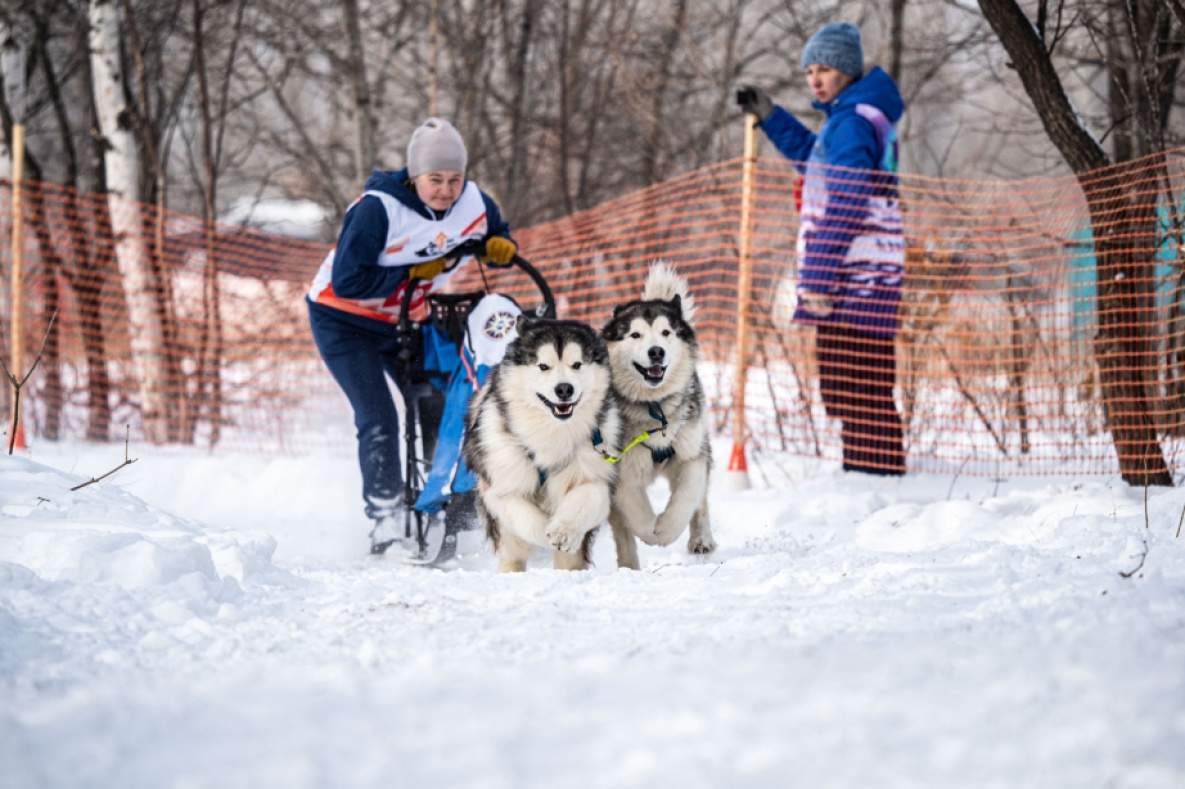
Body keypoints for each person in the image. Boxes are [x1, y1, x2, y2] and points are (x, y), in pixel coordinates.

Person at [306, 117, 518, 554]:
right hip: (343, 320)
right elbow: (347, 281)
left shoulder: (474, 203)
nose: (445, 189)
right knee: (379, 414)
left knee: (440, 401)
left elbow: (495, 236)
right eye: (434, 179)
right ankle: (385, 514)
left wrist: (500, 247)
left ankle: (441, 499)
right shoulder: (378, 209)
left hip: (407, 320)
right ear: (414, 176)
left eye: (454, 179)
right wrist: (408, 274)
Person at [739, 22, 906, 476]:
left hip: (853, 277)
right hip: (864, 274)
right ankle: (869, 474)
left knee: (856, 383)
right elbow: (817, 158)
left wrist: (817, 276)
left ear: (848, 71)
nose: (814, 78)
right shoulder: (850, 119)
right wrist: (772, 116)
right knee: (854, 382)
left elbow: (849, 201)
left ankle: (878, 476)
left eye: (825, 68)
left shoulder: (852, 122)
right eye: (809, 69)